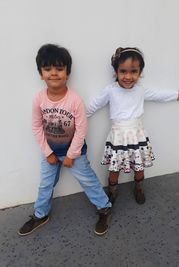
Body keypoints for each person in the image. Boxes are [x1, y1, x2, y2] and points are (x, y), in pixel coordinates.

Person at [18, 44, 112, 237]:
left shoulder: (75, 100)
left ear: (67, 73)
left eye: (59, 69)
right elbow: (36, 127)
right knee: (45, 184)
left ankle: (104, 207)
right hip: (50, 152)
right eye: (48, 69)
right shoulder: (38, 99)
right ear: (40, 73)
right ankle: (40, 214)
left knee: (88, 180)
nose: (54, 73)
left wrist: (71, 155)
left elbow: (81, 129)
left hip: (74, 153)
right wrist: (48, 153)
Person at [86, 47, 179, 205]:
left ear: (140, 72)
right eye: (123, 71)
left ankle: (138, 187)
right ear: (116, 72)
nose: (128, 76)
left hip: (137, 136)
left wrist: (174, 95)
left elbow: (157, 95)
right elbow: (94, 105)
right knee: (114, 168)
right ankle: (112, 191)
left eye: (133, 71)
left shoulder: (140, 90)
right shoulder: (110, 91)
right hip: (118, 137)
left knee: (139, 167)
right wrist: (78, 118)